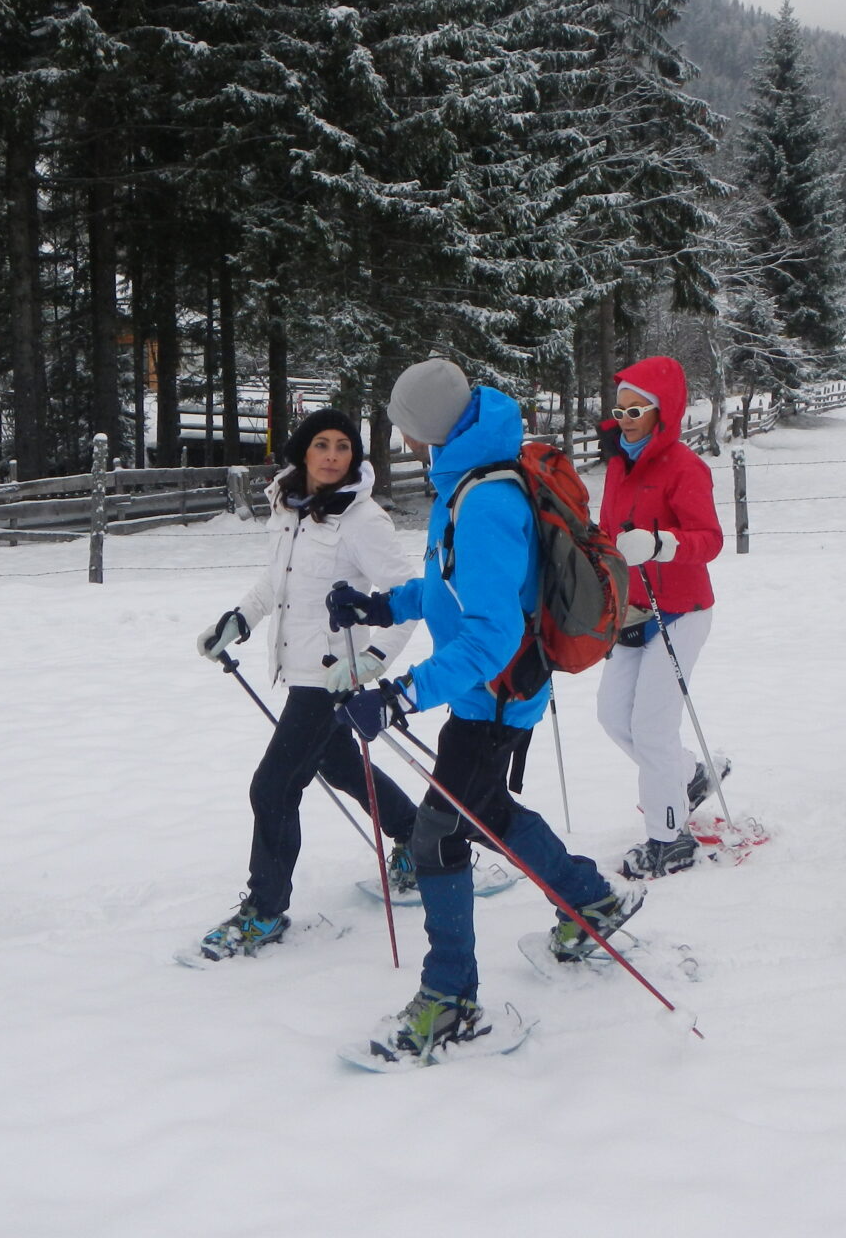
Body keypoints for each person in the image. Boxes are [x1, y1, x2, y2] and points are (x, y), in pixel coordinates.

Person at [327, 358, 641, 1060]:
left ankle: (450, 999)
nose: (403, 439)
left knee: (438, 837)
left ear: (429, 427)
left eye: (406, 426)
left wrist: (401, 695)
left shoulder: (486, 500)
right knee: (484, 811)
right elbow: (451, 588)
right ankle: (590, 899)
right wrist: (383, 606)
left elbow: (493, 635)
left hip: (496, 697)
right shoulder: (467, 480)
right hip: (485, 693)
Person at [189, 409, 420, 960]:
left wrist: (372, 661)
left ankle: (265, 911)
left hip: (332, 675)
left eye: (343, 446)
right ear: (303, 451)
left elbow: (410, 598)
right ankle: (419, 837)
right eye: (322, 444)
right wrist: (240, 619)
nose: (333, 456)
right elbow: (278, 580)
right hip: (298, 667)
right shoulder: (289, 506)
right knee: (339, 765)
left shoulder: (363, 519)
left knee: (272, 787)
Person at [594, 355, 736, 878]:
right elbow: (609, 532)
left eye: (637, 410)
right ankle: (689, 775)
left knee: (652, 728)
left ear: (663, 411)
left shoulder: (684, 467)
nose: (626, 419)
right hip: (632, 611)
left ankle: (669, 839)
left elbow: (710, 540)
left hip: (681, 611)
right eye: (621, 410)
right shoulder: (619, 465)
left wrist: (661, 544)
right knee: (614, 716)